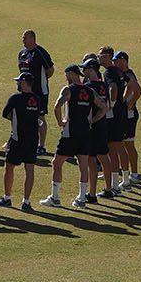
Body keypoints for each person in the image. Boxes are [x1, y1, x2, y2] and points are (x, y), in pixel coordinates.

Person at [44, 65, 106, 208]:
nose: (65, 77)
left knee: (57, 163)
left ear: (71, 74)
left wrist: (61, 122)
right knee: (83, 166)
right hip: (86, 132)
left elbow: (57, 107)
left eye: (66, 74)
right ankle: (82, 198)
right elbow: (104, 107)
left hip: (70, 133)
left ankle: (55, 197)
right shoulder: (90, 91)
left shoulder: (68, 90)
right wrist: (92, 120)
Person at [0, 72, 47, 210]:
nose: (17, 83)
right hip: (33, 139)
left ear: (24, 82)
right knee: (30, 169)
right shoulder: (37, 98)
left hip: (17, 138)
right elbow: (39, 117)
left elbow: (5, 113)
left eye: (19, 81)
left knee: (9, 167)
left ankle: (7, 198)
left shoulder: (15, 98)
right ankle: (26, 201)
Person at [80, 58, 117, 200]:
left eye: (85, 69)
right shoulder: (103, 85)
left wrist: (91, 120)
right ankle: (108, 189)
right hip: (103, 125)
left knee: (91, 160)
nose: (83, 72)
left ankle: (92, 194)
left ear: (92, 69)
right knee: (104, 157)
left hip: (93, 127)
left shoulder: (88, 87)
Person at [17, 30, 55, 155]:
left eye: (25, 38)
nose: (23, 40)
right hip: (24, 92)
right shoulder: (22, 53)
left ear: (32, 39)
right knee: (25, 116)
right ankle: (26, 142)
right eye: (22, 38)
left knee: (40, 117)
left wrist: (40, 80)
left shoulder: (40, 52)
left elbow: (50, 70)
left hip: (39, 92)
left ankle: (41, 146)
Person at [97, 45, 128, 194]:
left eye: (101, 56)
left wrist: (111, 105)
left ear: (109, 57)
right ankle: (119, 182)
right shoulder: (118, 71)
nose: (99, 58)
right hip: (120, 113)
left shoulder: (109, 72)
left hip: (114, 115)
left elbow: (113, 88)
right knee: (116, 148)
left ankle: (115, 186)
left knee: (111, 149)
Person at [114, 50, 141, 187]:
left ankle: (134, 174)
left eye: (117, 61)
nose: (115, 63)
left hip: (128, 115)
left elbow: (137, 91)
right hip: (126, 114)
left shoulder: (128, 75)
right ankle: (125, 172)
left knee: (128, 144)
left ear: (124, 61)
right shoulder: (124, 74)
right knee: (124, 144)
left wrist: (130, 104)